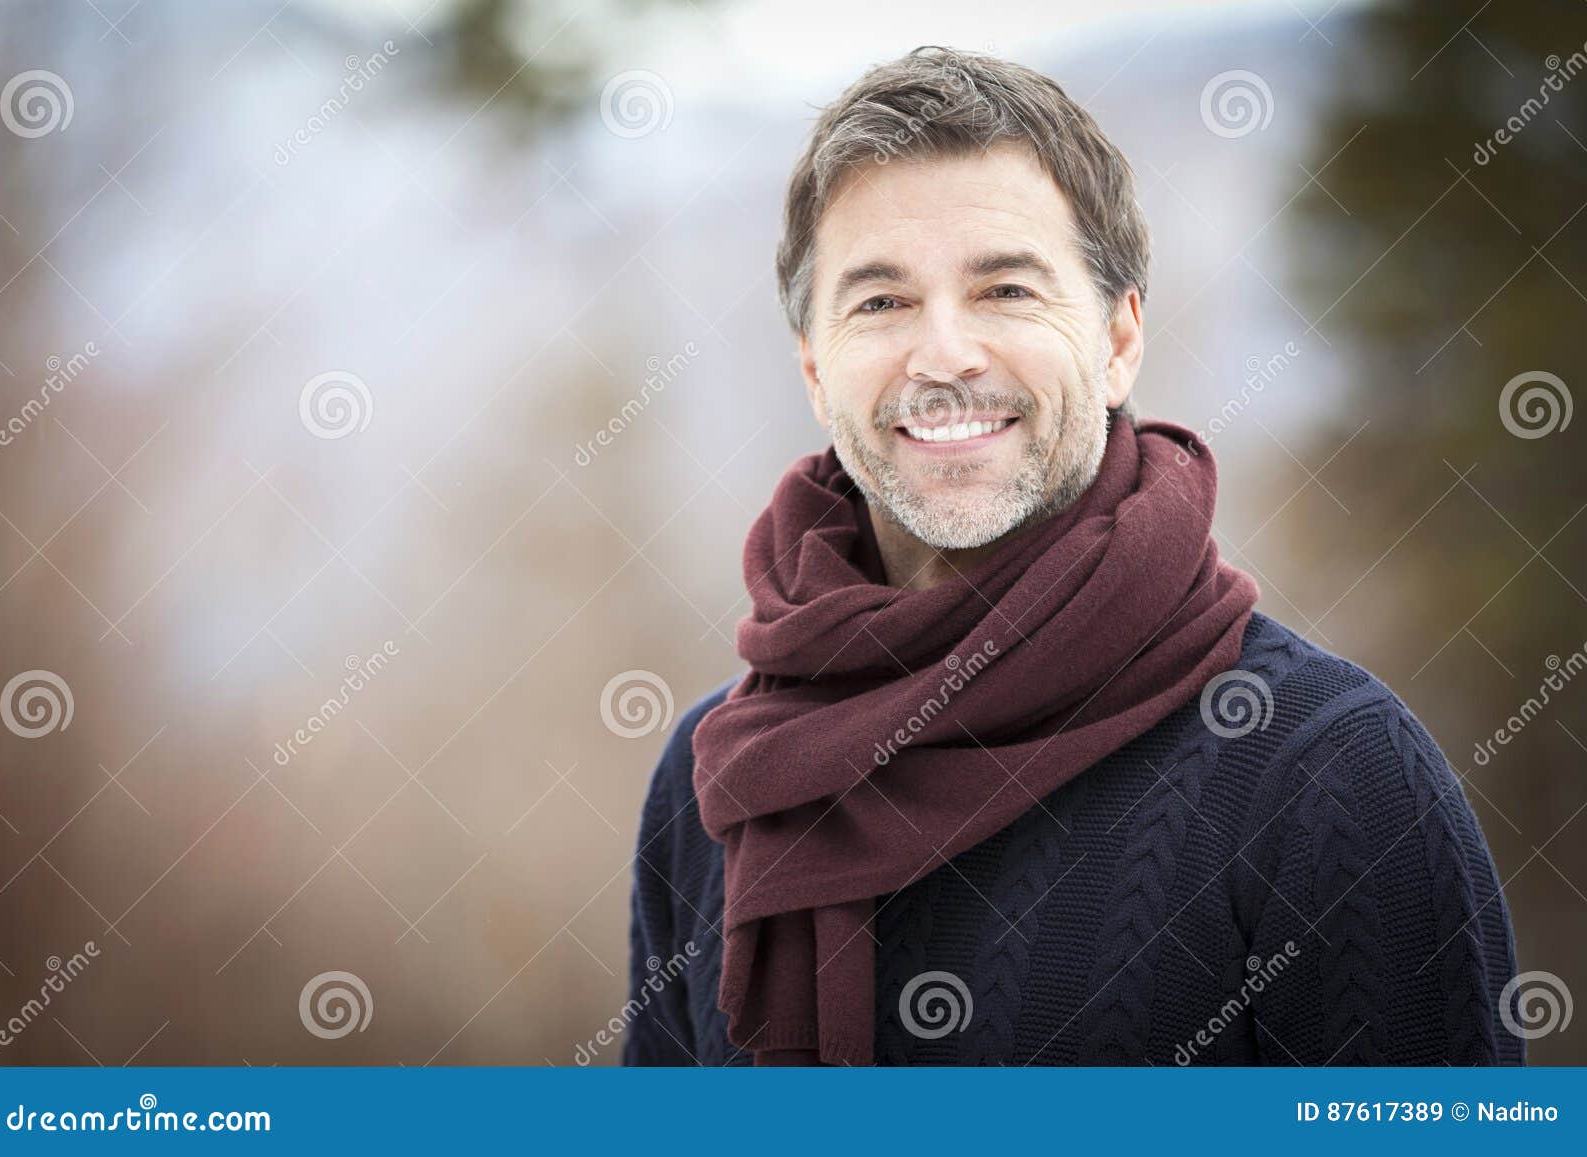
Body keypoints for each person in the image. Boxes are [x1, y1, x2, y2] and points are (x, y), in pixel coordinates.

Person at [622, 47, 1521, 1066]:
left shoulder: (1328, 773)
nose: (945, 353)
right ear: (816, 367)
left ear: (1118, 339)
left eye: (1004, 288)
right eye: (880, 301)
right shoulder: (725, 778)